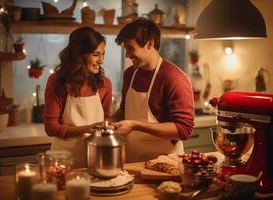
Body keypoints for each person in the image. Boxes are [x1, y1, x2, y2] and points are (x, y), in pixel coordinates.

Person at [110, 18, 194, 162]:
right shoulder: (129, 74)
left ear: (149, 43)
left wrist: (135, 125)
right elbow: (125, 110)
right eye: (125, 49)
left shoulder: (174, 78)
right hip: (131, 160)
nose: (127, 55)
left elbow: (184, 130)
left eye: (130, 48)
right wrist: (109, 121)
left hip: (165, 163)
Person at [44, 27, 112, 168]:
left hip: (95, 159)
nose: (101, 61)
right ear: (79, 55)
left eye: (103, 54)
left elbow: (105, 121)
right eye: (96, 54)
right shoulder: (58, 81)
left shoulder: (105, 84)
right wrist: (88, 128)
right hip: (63, 160)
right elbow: (51, 128)